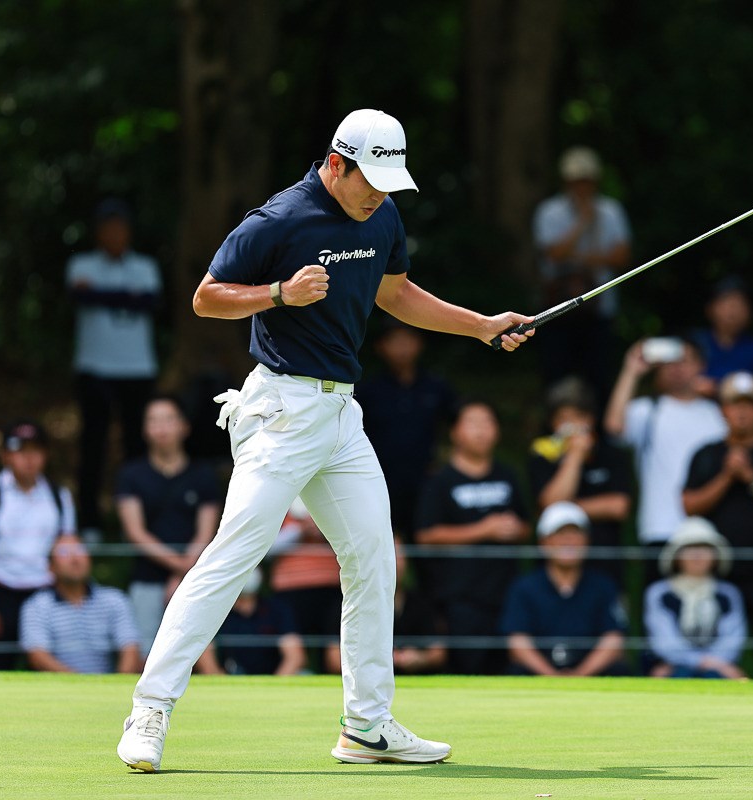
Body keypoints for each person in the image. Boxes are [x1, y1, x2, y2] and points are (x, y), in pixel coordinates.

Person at [118, 108, 533, 771]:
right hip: (280, 411)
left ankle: (366, 726)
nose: (379, 195)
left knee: (374, 559)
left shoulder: (383, 214)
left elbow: (397, 294)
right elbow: (206, 297)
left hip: (341, 415)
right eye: (370, 180)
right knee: (233, 556)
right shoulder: (280, 219)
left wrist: (481, 325)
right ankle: (150, 708)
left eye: (389, 184)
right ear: (336, 164)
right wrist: (279, 293)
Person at [682, 372, 753, 679]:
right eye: (735, 404)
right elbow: (689, 506)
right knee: (710, 655)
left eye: (749, 404)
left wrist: (750, 477)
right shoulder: (706, 454)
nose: (742, 412)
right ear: (723, 410)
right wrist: (726, 476)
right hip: (715, 573)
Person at [66, 198, 163, 539]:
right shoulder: (81, 264)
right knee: (93, 446)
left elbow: (150, 302)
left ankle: (135, 524)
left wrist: (101, 294)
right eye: (108, 227)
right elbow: (81, 297)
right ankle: (90, 522)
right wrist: (127, 297)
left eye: (119, 227)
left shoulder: (145, 266)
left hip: (138, 368)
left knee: (138, 447)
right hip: (94, 368)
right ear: (98, 232)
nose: (114, 234)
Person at [414, 400, 531, 675]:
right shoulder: (439, 481)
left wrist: (514, 529)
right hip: (460, 597)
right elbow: (426, 535)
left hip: (506, 592)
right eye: (473, 423)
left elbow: (526, 526)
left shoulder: (508, 475)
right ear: (455, 432)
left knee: (505, 673)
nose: (481, 430)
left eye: (488, 422)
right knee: (467, 672)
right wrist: (484, 529)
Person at [0, 420, 76, 670]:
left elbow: (66, 547)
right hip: (1, 592)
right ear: (5, 456)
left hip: (45, 593)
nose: (29, 458)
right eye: (20, 451)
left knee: (47, 671)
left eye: (35, 450)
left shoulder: (59, 496)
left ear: (45, 455)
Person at [115, 395, 221, 655]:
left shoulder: (203, 475)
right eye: (153, 421)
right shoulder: (130, 475)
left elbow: (206, 532)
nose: (161, 428)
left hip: (197, 580)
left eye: (168, 420)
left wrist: (185, 576)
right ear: (144, 429)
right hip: (147, 580)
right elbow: (135, 532)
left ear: (184, 426)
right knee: (146, 655)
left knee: (200, 653)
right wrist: (181, 568)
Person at [605, 338, 727, 559]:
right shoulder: (648, 410)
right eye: (669, 362)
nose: (676, 368)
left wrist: (718, 392)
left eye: (684, 360)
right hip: (659, 527)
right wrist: (631, 371)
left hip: (710, 529)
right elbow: (614, 427)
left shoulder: (718, 414)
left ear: (701, 365)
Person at [532, 146, 631, 398]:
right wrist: (583, 222)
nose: (582, 187)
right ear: (566, 182)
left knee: (599, 376)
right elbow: (552, 254)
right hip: (557, 308)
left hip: (600, 309)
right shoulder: (549, 211)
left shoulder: (611, 211)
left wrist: (575, 257)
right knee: (555, 373)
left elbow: (621, 257)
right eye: (576, 181)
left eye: (586, 180)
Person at [353, 318, 456, 538]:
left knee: (426, 539)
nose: (402, 348)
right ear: (381, 347)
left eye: (408, 340)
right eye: (394, 341)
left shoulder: (436, 387)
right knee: (382, 539)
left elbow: (456, 425)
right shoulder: (368, 391)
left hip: (426, 480)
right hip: (379, 479)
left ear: (420, 344)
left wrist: (446, 463)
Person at [501, 502, 628, 677]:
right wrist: (551, 676)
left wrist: (580, 675)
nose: (569, 540)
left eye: (575, 533)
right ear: (544, 542)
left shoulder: (603, 585)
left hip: (592, 673)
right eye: (560, 533)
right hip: (538, 673)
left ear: (587, 540)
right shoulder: (524, 588)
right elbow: (517, 643)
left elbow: (614, 639)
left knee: (619, 671)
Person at [527, 377, 632, 585]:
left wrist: (565, 507)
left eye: (578, 417)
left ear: (591, 420)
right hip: (553, 578)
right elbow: (550, 505)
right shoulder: (541, 456)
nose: (572, 426)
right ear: (552, 423)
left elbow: (619, 507)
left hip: (605, 570)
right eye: (563, 419)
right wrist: (575, 456)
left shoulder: (612, 454)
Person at [19, 534, 140, 674]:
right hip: (60, 685)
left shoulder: (115, 600)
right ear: (50, 566)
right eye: (64, 552)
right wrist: (81, 682)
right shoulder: (37, 606)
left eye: (79, 549)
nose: (74, 558)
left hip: (108, 684)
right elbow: (38, 656)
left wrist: (119, 682)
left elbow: (130, 647)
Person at [643, 517, 747, 679]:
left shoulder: (727, 594)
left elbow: (733, 639)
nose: (697, 555)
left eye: (705, 548)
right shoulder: (660, 593)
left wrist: (716, 665)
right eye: (690, 548)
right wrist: (702, 662)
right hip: (676, 667)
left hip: (719, 668)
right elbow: (664, 642)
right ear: (676, 556)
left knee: (715, 678)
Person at [268, 498, 342, 674]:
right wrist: (299, 530)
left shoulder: (334, 501)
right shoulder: (278, 501)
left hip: (331, 587)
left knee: (332, 649)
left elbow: (352, 541)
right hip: (289, 589)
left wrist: (325, 529)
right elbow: (265, 547)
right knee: (295, 648)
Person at [685, 275, 753, 396]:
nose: (733, 311)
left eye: (740, 304)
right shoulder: (694, 342)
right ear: (710, 309)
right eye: (726, 303)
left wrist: (721, 390)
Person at [212, 567, 304, 676]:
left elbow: (295, 657)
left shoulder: (277, 610)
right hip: (229, 680)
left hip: (273, 678)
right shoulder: (217, 612)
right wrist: (221, 683)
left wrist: (274, 685)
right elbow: (205, 653)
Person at [391, 535, 447, 675]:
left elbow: (439, 653)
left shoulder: (419, 603)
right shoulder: (358, 604)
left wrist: (420, 658)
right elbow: (338, 658)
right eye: (389, 555)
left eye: (399, 556)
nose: (395, 563)